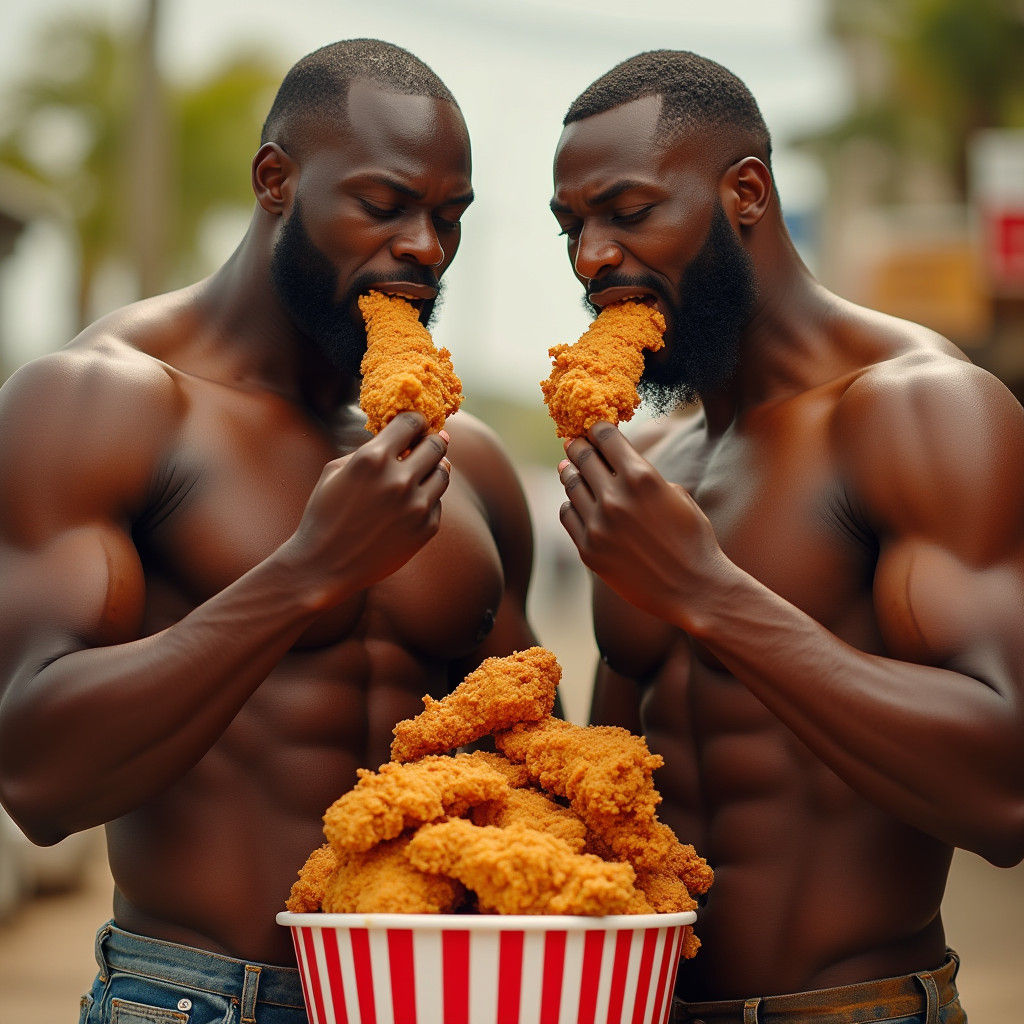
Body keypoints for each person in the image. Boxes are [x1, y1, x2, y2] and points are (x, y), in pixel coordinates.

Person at [0, 39, 538, 1024]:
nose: (424, 245)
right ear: (275, 180)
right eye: (384, 204)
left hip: (436, 997)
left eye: (448, 216)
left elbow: (532, 773)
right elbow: (37, 778)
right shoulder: (105, 404)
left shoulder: (469, 462)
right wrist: (305, 574)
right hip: (201, 995)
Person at [551, 49, 1024, 1024]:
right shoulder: (649, 461)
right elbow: (611, 790)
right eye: (573, 226)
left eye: (629, 211)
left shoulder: (919, 410)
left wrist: (706, 593)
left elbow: (1006, 793)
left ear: (746, 193)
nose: (592, 256)